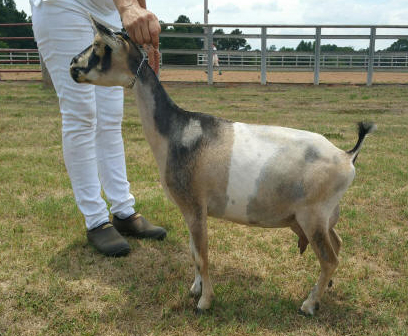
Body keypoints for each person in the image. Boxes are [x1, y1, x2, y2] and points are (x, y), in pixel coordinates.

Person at [30, 0, 166, 257]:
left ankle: (123, 210)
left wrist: (140, 15)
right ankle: (96, 220)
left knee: (111, 116)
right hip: (64, 6)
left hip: (107, 9)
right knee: (81, 113)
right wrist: (127, 8)